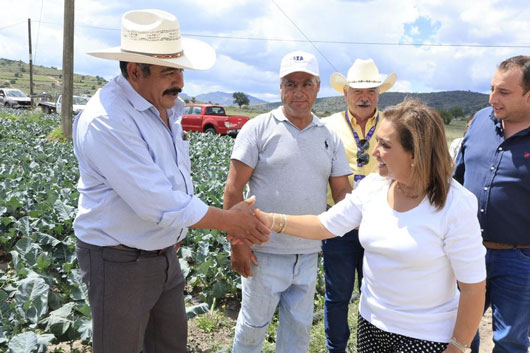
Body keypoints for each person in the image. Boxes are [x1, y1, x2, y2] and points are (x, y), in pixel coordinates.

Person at [73, 9, 269, 353]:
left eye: (180, 69)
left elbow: (173, 187)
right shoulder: (107, 120)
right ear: (135, 71)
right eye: (169, 71)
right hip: (118, 262)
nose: (180, 81)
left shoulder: (166, 108)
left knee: (171, 346)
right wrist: (229, 221)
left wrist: (175, 235)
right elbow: (159, 203)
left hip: (164, 255)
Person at [255, 99, 486, 353]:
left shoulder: (455, 205)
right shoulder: (374, 187)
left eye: (385, 145)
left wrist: (457, 347)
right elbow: (324, 225)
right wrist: (271, 220)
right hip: (371, 326)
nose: (374, 152)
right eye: (377, 142)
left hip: (426, 336)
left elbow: (473, 287)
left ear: (415, 154)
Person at [224, 50, 353, 352]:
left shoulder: (329, 137)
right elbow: (232, 190)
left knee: (298, 333)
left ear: (317, 88)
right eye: (290, 84)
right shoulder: (258, 129)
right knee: (252, 330)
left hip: (308, 255)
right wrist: (238, 243)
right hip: (263, 254)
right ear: (280, 88)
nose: (299, 92)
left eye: (306, 84)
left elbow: (343, 194)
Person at [454, 55, 530, 353]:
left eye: (504, 92)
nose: (492, 98)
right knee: (459, 334)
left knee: (510, 340)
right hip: (467, 250)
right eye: (492, 89)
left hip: (520, 259)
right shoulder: (480, 122)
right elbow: (456, 182)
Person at [322, 58, 396, 352]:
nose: (365, 97)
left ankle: (374, 347)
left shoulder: (392, 126)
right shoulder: (327, 126)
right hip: (339, 224)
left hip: (382, 224)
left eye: (372, 91)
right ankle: (336, 348)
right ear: (345, 93)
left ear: (379, 93)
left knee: (378, 293)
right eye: (358, 91)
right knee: (338, 295)